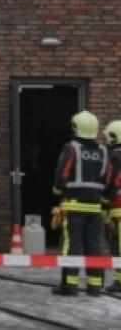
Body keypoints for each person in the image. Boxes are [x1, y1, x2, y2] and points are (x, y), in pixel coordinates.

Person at [51, 110, 111, 296]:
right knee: (93, 244)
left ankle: (70, 285)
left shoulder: (72, 148)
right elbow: (106, 177)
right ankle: (94, 286)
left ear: (76, 127)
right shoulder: (103, 150)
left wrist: (58, 191)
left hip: (73, 205)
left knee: (72, 244)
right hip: (95, 206)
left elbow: (63, 172)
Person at [103, 119, 121, 292]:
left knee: (117, 245)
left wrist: (103, 200)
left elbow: (112, 183)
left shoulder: (115, 158)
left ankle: (120, 281)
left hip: (117, 209)